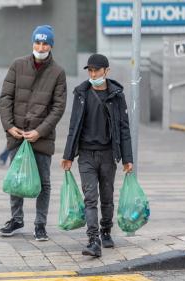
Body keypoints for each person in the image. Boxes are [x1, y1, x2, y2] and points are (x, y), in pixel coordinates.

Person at [0, 25, 67, 241]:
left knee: (44, 183)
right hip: (17, 134)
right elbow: (5, 98)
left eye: (45, 43)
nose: (41, 46)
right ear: (32, 43)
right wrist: (9, 126)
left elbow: (58, 107)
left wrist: (40, 131)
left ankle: (40, 224)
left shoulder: (57, 72)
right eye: (38, 42)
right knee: (17, 178)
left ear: (51, 45)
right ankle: (16, 219)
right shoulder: (17, 65)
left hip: (41, 137)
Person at [61, 54, 133, 257]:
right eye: (90, 71)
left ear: (106, 71)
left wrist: (128, 159)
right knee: (90, 198)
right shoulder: (81, 93)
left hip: (108, 154)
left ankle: (106, 230)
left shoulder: (117, 95)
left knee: (107, 197)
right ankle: (93, 240)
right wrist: (68, 155)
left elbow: (124, 128)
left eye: (97, 70)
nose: (93, 74)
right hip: (86, 155)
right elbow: (73, 126)